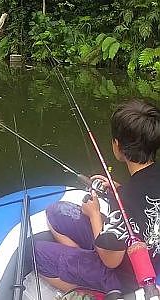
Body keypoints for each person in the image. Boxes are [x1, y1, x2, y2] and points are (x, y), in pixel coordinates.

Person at [35, 100, 160, 294]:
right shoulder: (136, 187)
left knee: (36, 253)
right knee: (55, 212)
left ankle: (89, 288)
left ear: (117, 146)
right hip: (151, 255)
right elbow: (144, 197)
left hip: (130, 277)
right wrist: (117, 188)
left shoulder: (126, 199)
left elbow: (110, 261)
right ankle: (81, 263)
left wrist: (94, 214)